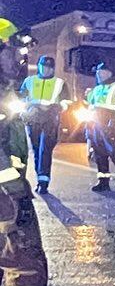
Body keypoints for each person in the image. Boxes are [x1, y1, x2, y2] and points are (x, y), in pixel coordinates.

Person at [0, 29, 59, 286]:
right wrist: (12, 188)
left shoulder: (7, 91)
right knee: (26, 264)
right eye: (11, 51)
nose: (19, 59)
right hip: (5, 195)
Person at [18, 53, 67, 192]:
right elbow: (21, 97)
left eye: (48, 67)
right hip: (33, 119)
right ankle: (40, 178)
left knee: (45, 150)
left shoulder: (60, 83)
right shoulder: (29, 81)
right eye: (43, 66)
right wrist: (25, 109)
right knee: (36, 149)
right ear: (39, 66)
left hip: (50, 120)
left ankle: (43, 182)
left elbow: (65, 102)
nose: (45, 69)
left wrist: (54, 108)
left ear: (53, 69)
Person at [82, 62, 115, 192]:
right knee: (99, 156)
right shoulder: (96, 89)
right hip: (95, 128)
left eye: (101, 72)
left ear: (109, 73)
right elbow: (89, 106)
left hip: (111, 129)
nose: (98, 75)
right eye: (98, 73)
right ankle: (103, 181)